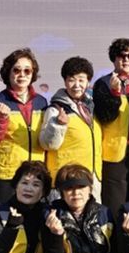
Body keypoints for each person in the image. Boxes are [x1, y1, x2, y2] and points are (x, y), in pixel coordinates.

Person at [93, 38, 129, 215]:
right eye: (121, 56)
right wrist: (114, 93)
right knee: (115, 204)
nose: (126, 59)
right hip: (115, 153)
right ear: (114, 59)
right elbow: (105, 117)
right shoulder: (103, 83)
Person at [0, 49, 47, 204]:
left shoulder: (42, 102)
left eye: (27, 71)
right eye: (16, 70)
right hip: (6, 174)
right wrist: (1, 119)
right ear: (8, 73)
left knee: (33, 217)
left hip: (35, 173)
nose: (22, 75)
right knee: (5, 216)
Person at [40, 57, 103, 201]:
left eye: (81, 80)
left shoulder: (90, 108)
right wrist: (58, 125)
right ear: (65, 82)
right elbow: (47, 144)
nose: (76, 85)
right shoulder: (55, 109)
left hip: (90, 179)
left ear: (88, 82)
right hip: (66, 181)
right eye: (71, 80)